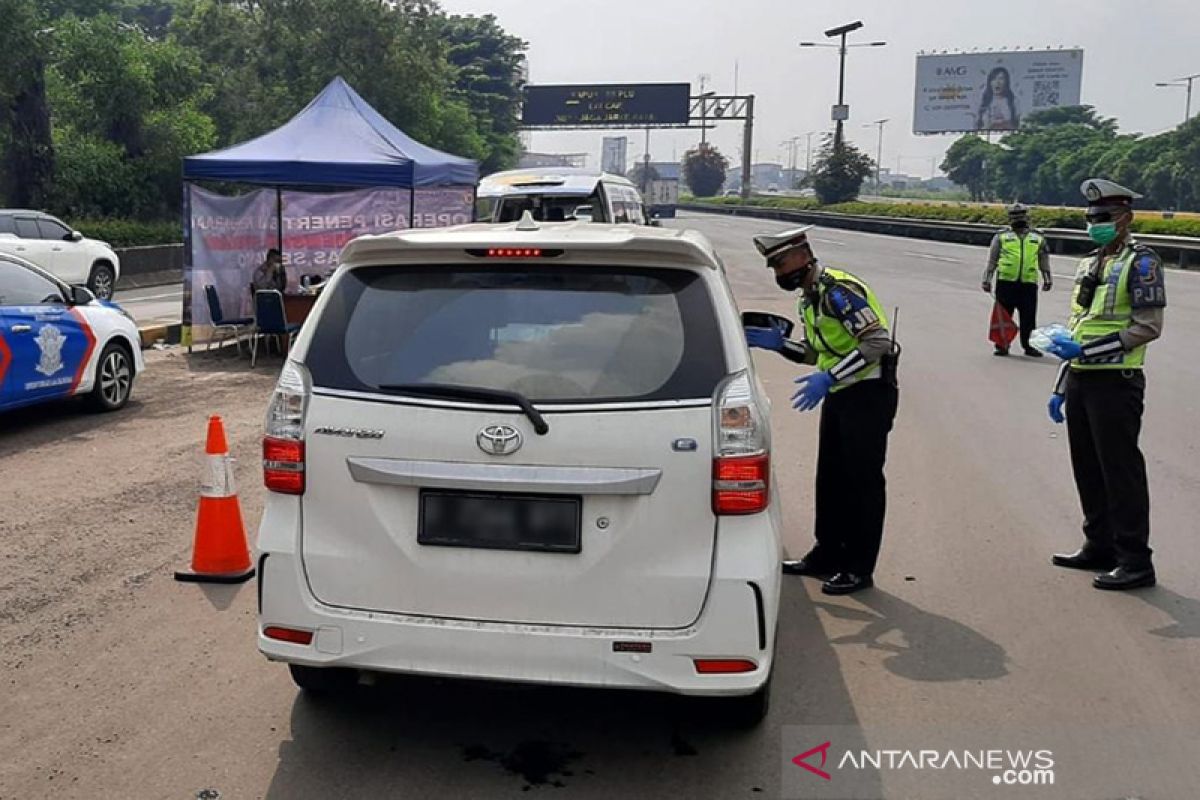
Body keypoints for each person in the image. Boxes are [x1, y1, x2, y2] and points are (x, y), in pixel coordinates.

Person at [745, 226, 900, 596]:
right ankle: (827, 553)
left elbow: (878, 341)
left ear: (802, 255)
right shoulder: (810, 297)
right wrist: (782, 346)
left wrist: (829, 378)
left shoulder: (837, 292)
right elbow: (818, 352)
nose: (778, 272)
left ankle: (860, 567)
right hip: (842, 392)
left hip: (868, 393)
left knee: (862, 482)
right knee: (830, 477)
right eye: (773, 267)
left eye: (781, 263)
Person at [1044, 179, 1166, 591]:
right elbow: (1080, 324)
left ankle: (1135, 560)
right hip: (1081, 378)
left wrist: (1088, 351)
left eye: (1105, 217)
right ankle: (1099, 545)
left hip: (1117, 380)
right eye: (1091, 217)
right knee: (1088, 467)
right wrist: (1062, 384)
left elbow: (1147, 327)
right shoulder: (1089, 263)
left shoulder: (1143, 261)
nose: (1096, 224)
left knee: (1120, 471)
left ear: (1126, 218)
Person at [982, 203, 1052, 356]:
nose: (1018, 218)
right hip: (1006, 282)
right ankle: (1002, 345)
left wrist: (1047, 277)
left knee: (1028, 316)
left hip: (1028, 283)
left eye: (1021, 215)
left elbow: (1043, 259)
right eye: (1014, 215)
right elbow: (992, 261)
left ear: (1027, 217)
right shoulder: (1001, 237)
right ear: (1009, 218)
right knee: (1003, 315)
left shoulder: (1037, 237)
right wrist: (987, 279)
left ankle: (1028, 346)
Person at [977, 67, 1019, 131]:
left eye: (1001, 78)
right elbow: (978, 127)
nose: (997, 82)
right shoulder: (984, 102)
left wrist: (1005, 124)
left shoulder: (1013, 102)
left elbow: (1019, 126)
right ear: (990, 83)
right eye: (994, 79)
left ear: (1006, 82)